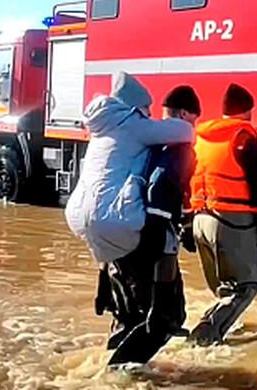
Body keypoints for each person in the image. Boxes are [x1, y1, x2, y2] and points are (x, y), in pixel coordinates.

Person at [64, 73, 195, 363]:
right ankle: (120, 372)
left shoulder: (101, 127)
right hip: (118, 220)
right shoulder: (132, 125)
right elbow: (185, 133)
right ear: (135, 107)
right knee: (164, 315)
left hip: (85, 220)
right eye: (146, 110)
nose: (148, 115)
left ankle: (114, 342)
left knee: (129, 307)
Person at [103, 85, 202, 365]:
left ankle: (109, 359)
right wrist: (164, 229)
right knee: (167, 317)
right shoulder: (179, 149)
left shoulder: (146, 143)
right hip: (147, 238)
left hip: (117, 234)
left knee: (131, 314)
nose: (194, 127)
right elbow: (160, 187)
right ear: (184, 114)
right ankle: (116, 375)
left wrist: (184, 219)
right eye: (194, 120)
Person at [187, 83, 257, 347]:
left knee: (224, 289)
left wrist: (185, 222)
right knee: (246, 286)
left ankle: (215, 328)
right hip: (231, 222)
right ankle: (206, 335)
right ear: (248, 111)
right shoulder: (244, 139)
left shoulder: (200, 138)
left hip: (200, 219)